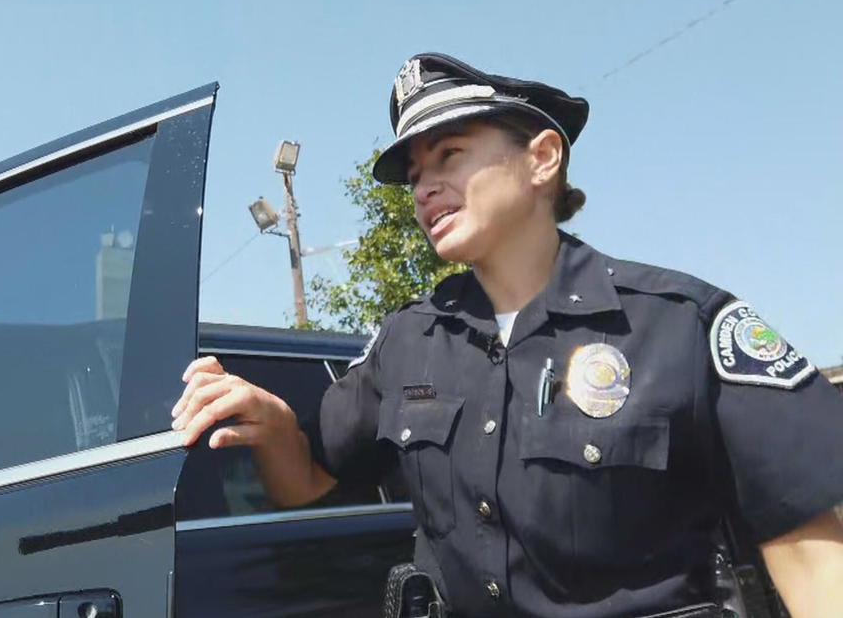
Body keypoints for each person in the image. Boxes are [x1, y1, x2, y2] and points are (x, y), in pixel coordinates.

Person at [171, 52, 843, 618]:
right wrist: (275, 425)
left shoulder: (678, 325)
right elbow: (307, 482)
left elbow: (811, 557)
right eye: (415, 175)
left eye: (449, 155)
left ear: (542, 158)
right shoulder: (408, 342)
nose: (425, 187)